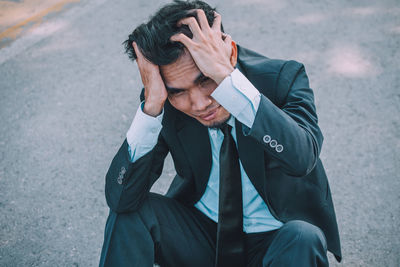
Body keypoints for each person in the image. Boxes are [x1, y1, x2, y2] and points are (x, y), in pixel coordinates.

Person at [99, 0, 341, 266]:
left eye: (206, 80)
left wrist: (228, 81)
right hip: (202, 237)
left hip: (281, 242)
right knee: (130, 213)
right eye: (179, 91)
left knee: (303, 236)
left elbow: (301, 157)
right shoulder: (165, 101)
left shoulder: (283, 78)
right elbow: (121, 199)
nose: (199, 104)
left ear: (230, 54)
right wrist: (152, 107)